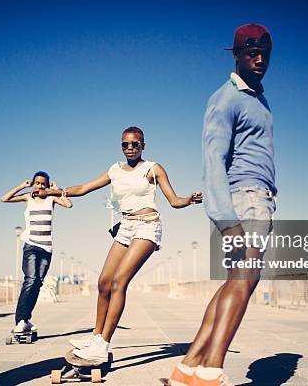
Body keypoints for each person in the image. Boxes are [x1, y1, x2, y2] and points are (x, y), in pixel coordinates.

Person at [166, 23, 277, 386]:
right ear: (237, 55)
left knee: (235, 281)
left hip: (253, 198)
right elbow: (213, 158)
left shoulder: (257, 99)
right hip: (245, 199)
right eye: (251, 53)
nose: (259, 59)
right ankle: (210, 372)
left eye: (265, 53)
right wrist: (227, 220)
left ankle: (187, 368)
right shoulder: (226, 97)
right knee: (246, 277)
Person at [35, 126, 202, 362]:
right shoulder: (115, 169)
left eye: (135, 144)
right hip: (125, 226)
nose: (130, 148)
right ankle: (95, 336)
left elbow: (173, 201)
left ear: (143, 145)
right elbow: (84, 188)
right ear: (121, 146)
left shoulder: (153, 169)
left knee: (118, 282)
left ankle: (103, 344)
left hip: (148, 225)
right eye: (125, 144)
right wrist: (53, 192)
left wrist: (189, 200)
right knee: (103, 282)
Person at [1, 171, 72, 334]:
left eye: (43, 184)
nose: (40, 186)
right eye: (37, 183)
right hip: (31, 245)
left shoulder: (51, 198)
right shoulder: (28, 197)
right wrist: (21, 186)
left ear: (47, 185)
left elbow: (68, 204)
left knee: (38, 283)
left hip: (47, 248)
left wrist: (57, 189)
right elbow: (4, 198)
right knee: (31, 279)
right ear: (33, 184)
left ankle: (25, 319)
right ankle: (20, 320)